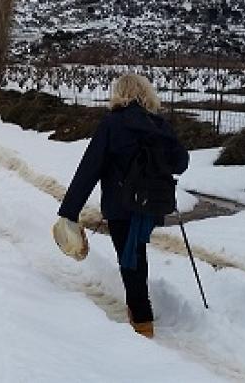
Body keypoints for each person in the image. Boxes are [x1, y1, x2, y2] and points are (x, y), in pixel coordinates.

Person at [56, 74, 189, 340]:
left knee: (131, 258)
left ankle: (142, 320)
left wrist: (69, 211)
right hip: (153, 204)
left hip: (121, 204)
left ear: (120, 93)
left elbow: (90, 168)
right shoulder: (159, 124)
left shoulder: (112, 124)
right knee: (136, 253)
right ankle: (139, 311)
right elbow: (180, 163)